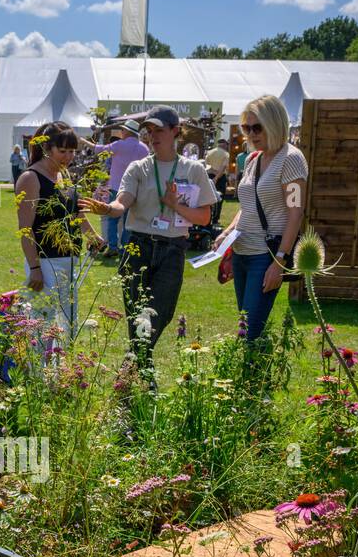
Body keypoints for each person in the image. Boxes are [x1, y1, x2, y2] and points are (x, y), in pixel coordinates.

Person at [80, 106, 216, 376]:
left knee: (159, 313)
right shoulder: (139, 167)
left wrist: (174, 205)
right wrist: (108, 209)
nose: (153, 136)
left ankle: (132, 369)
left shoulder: (193, 170)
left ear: (176, 131)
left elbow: (204, 217)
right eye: (149, 131)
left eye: (159, 130)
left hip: (172, 249)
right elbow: (123, 202)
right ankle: (140, 375)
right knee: (136, 316)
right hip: (137, 246)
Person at [213, 94, 308, 341]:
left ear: (274, 124)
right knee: (246, 323)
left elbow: (296, 212)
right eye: (247, 127)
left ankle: (254, 376)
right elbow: (248, 205)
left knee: (250, 332)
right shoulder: (254, 159)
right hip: (242, 253)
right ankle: (254, 373)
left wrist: (278, 262)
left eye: (257, 127)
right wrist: (226, 233)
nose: (251, 134)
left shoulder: (291, 159)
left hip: (264, 256)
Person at [16, 120, 106, 348]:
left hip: (70, 261)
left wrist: (93, 237)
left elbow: (75, 214)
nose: (68, 157)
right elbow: (25, 229)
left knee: (68, 324)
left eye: (72, 151)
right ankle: (37, 374)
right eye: (62, 151)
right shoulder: (30, 179)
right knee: (42, 323)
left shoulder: (63, 176)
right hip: (46, 262)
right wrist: (35, 268)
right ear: (47, 149)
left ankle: (60, 374)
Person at [86, 118, 149, 257]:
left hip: (116, 187)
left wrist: (84, 142)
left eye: (123, 130)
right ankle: (126, 248)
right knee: (129, 220)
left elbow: (100, 150)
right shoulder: (145, 148)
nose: (121, 132)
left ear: (126, 132)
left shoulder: (120, 145)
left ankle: (113, 247)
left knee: (112, 218)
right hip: (135, 189)